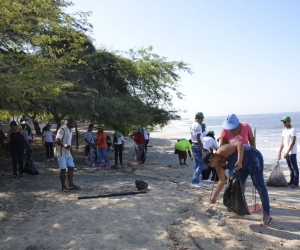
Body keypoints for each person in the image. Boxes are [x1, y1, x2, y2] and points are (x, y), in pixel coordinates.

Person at [202, 141, 272, 226]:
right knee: (234, 187)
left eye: (209, 165)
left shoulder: (222, 151)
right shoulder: (218, 165)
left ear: (211, 159)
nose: (211, 167)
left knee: (259, 185)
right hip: (242, 166)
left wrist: (239, 160)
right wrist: (214, 198)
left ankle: (267, 215)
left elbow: (239, 144)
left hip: (253, 156)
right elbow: (222, 181)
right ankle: (240, 214)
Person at [219, 114, 255, 187]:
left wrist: (253, 153)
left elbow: (251, 140)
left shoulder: (245, 126)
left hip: (245, 156)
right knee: (230, 176)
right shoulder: (224, 131)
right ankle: (230, 193)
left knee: (242, 178)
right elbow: (221, 146)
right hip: (231, 156)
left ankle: (241, 196)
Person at [55, 117, 80, 191]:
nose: (74, 125)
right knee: (63, 169)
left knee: (71, 167)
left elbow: (69, 142)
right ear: (68, 122)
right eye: (73, 123)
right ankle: (63, 187)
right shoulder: (62, 129)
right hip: (61, 152)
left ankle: (71, 185)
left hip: (68, 152)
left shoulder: (70, 130)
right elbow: (57, 139)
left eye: (75, 123)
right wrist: (64, 145)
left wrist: (71, 150)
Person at [278, 116, 299, 188]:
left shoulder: (293, 130)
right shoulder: (284, 131)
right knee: (290, 167)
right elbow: (282, 142)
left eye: (285, 121)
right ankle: (291, 181)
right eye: (283, 121)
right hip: (286, 152)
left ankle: (296, 183)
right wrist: (280, 152)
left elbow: (293, 142)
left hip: (292, 152)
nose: (283, 123)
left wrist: (287, 152)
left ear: (289, 122)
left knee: (294, 167)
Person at [190, 112, 206, 188]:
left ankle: (196, 181)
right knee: (201, 164)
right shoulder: (198, 125)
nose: (202, 119)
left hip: (193, 145)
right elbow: (198, 138)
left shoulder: (192, 124)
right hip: (197, 145)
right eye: (202, 118)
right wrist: (202, 148)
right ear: (199, 118)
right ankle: (194, 181)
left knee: (197, 164)